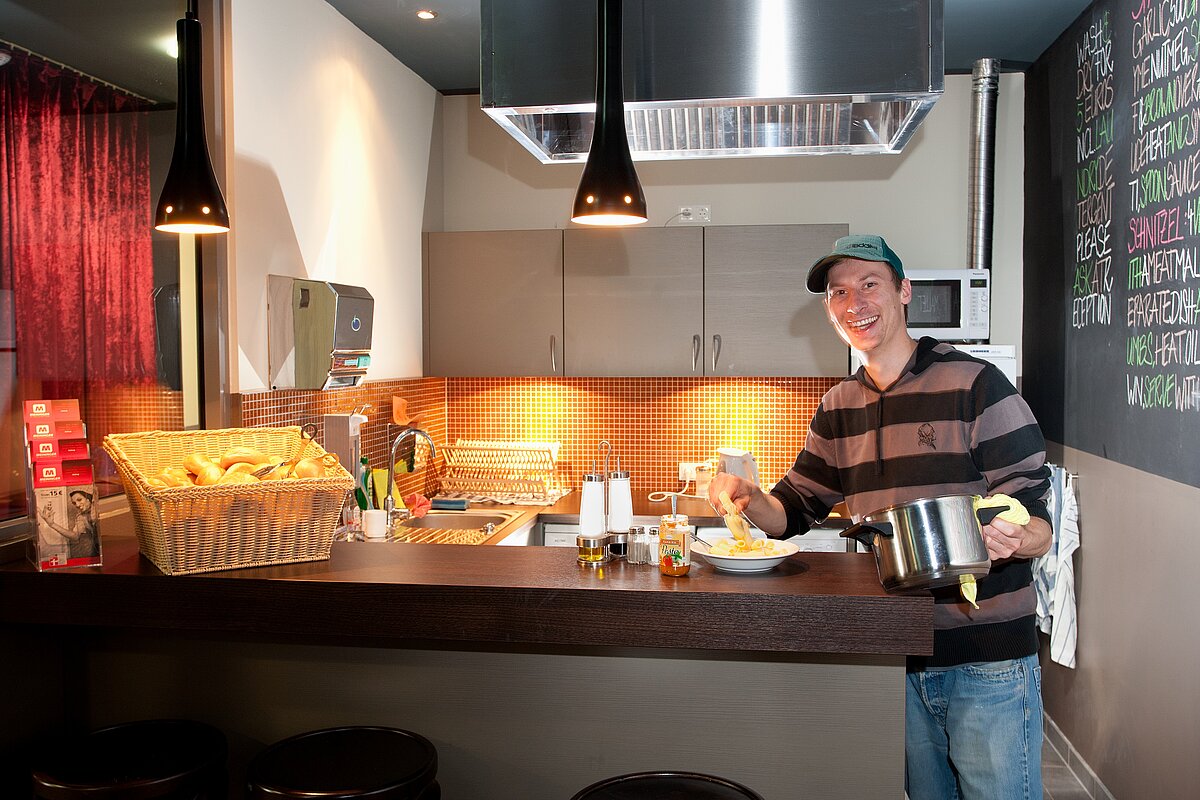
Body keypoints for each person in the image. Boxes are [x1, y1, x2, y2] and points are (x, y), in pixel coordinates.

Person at [708, 234, 1052, 800]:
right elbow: (793, 510)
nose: (854, 302)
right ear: (830, 311)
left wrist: (1016, 536)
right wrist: (748, 494)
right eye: (839, 293)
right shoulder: (839, 406)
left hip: (986, 655)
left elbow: (1035, 511)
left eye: (869, 284)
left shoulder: (975, 385)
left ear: (903, 292)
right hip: (895, 650)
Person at [38, 489, 100, 560]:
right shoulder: (80, 517)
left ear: (88, 499)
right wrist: (52, 524)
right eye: (74, 503)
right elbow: (75, 536)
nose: (77, 505)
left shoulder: (97, 507)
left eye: (79, 500)